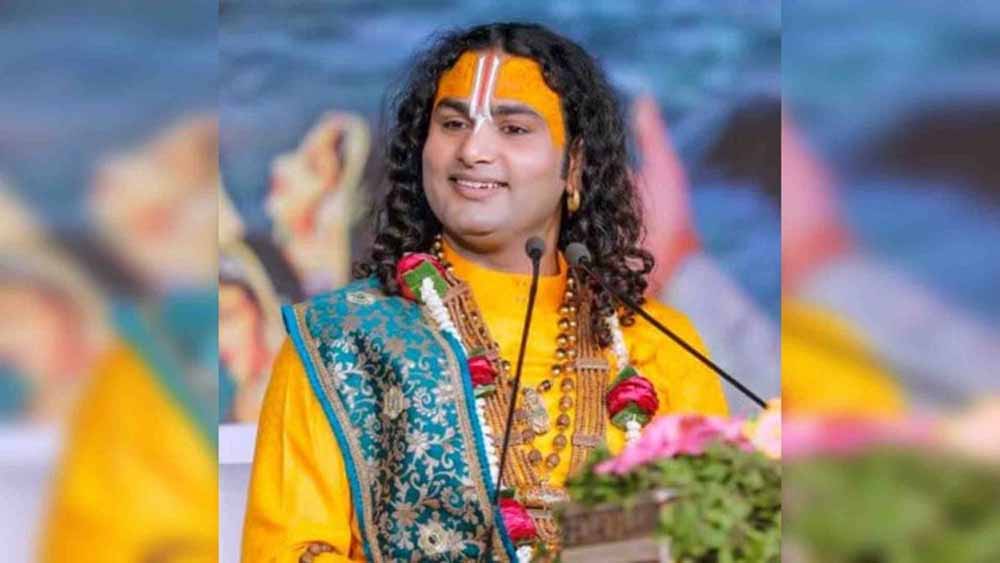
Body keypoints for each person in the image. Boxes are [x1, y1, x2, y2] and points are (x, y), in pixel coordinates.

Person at [242, 23, 728, 562]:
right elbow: (287, 552)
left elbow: (719, 540)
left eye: (514, 129)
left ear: (574, 166)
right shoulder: (340, 343)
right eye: (452, 124)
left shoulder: (659, 347)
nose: (473, 150)